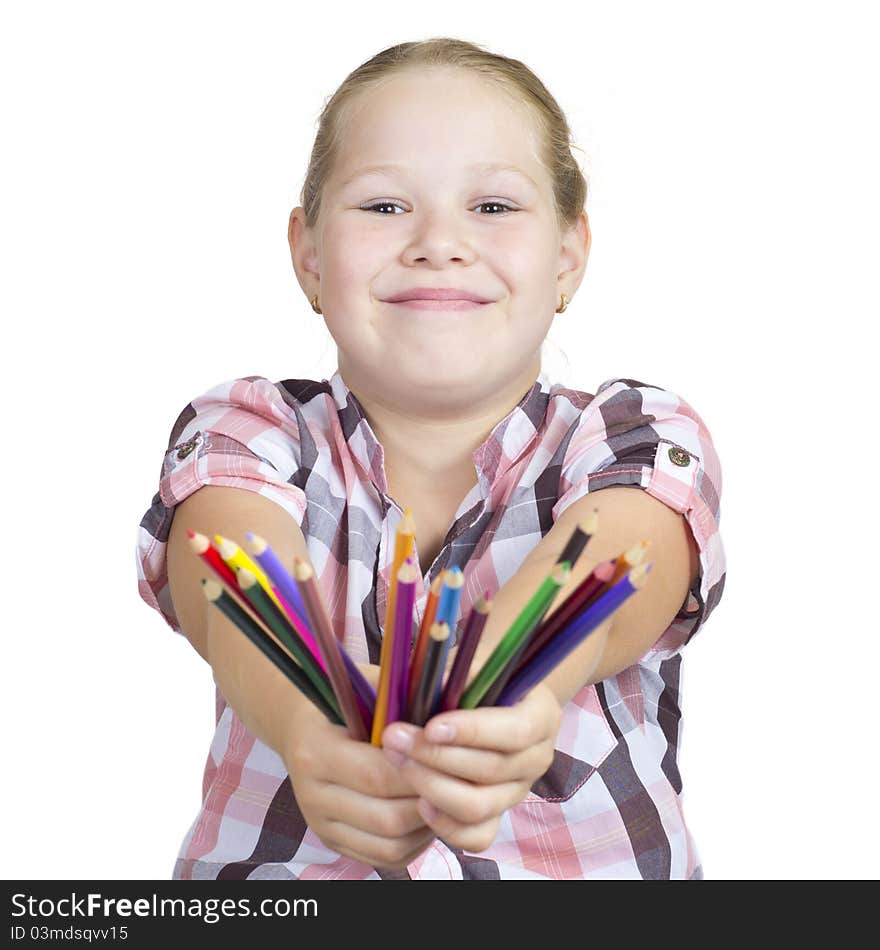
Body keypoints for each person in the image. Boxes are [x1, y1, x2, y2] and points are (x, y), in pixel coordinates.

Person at [136, 37, 726, 880]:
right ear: (308, 255)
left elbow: (627, 552)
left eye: (493, 207)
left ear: (568, 254)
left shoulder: (633, 429)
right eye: (383, 207)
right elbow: (228, 571)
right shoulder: (246, 426)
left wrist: (518, 687)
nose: (438, 242)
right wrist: (310, 725)